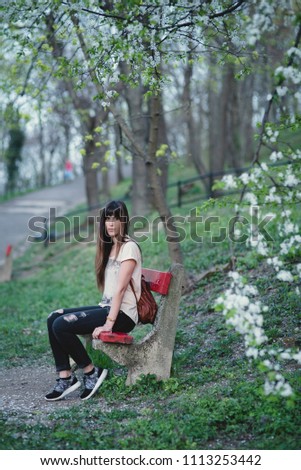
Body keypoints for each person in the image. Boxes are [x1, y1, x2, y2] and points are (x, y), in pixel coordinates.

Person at [45, 200, 141, 401]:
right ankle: (65, 377)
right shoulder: (111, 247)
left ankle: (91, 372)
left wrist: (108, 324)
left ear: (124, 220)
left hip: (122, 315)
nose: (111, 223)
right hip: (108, 308)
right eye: (107, 219)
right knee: (54, 317)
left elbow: (122, 289)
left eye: (115, 219)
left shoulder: (129, 247)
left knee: (62, 325)